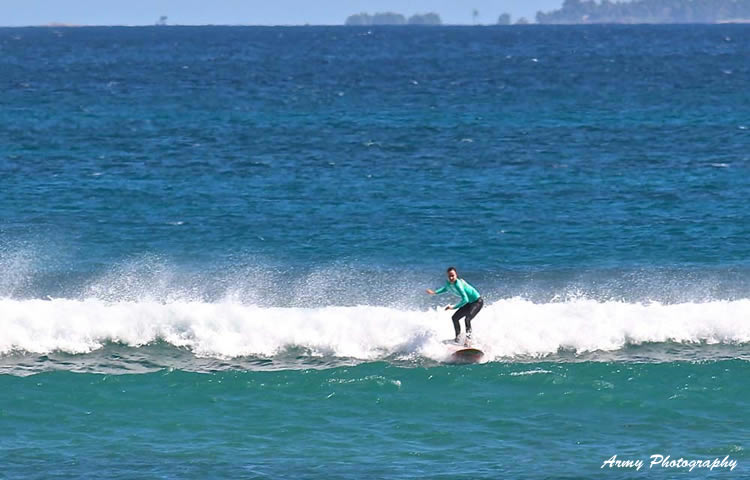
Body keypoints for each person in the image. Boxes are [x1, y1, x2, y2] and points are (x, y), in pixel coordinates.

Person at [426, 266, 483, 344]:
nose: (451, 277)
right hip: (469, 303)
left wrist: (453, 307)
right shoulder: (448, 283)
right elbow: (445, 288)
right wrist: (434, 292)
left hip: (477, 302)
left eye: (453, 275)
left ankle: (468, 340)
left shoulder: (458, 284)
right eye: (449, 276)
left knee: (467, 319)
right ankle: (458, 338)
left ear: (456, 275)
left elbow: (465, 299)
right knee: (455, 318)